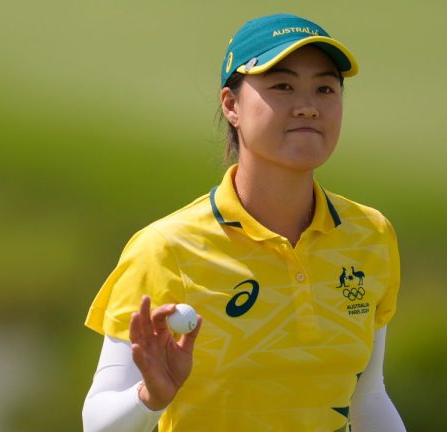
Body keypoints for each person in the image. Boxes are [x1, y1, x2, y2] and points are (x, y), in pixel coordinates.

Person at [82, 13, 406, 432]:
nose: (308, 105)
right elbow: (97, 422)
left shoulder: (370, 235)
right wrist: (150, 398)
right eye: (282, 86)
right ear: (231, 106)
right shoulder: (165, 249)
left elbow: (368, 396)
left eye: (325, 88)